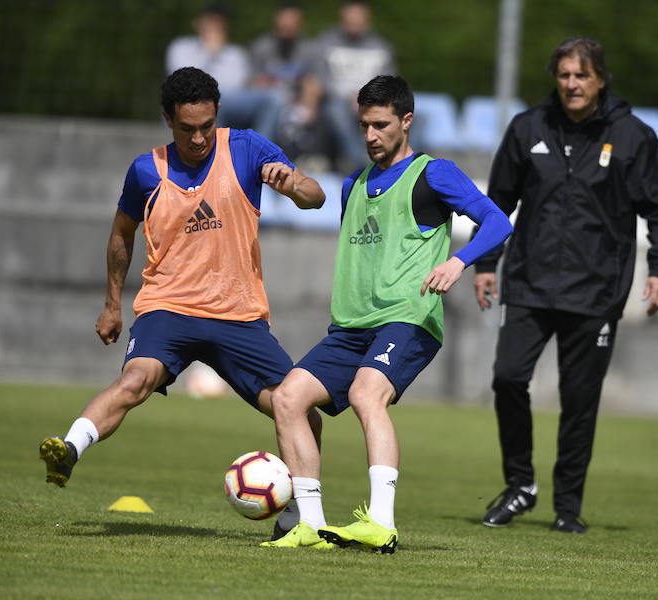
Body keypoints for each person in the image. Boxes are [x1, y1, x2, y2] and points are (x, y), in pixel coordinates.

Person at [38, 66, 326, 539]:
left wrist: (292, 185)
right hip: (169, 306)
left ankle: (295, 521)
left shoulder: (248, 148)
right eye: (188, 129)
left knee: (299, 410)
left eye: (207, 127)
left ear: (217, 116)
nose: (199, 138)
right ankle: (69, 449)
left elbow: (314, 197)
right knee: (136, 379)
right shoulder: (146, 170)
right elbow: (120, 237)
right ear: (168, 121)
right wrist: (112, 304)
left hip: (237, 312)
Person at [261, 75, 513, 551]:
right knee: (288, 399)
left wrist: (458, 261)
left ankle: (381, 523)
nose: (371, 135)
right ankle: (312, 525)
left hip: (409, 316)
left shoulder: (433, 173)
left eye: (381, 125)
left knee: (365, 393)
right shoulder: (353, 184)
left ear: (406, 121)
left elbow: (498, 222)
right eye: (364, 126)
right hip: (351, 326)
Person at [475, 37, 658, 534]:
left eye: (581, 75)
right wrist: (486, 263)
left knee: (579, 401)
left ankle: (567, 507)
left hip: (596, 292)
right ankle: (520, 485)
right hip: (528, 282)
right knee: (507, 377)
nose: (571, 83)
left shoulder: (634, 137)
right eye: (564, 74)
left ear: (601, 80)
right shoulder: (528, 127)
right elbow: (497, 201)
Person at [166, 2, 281, 139]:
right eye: (210, 21)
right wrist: (210, 53)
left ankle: (260, 152)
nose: (214, 27)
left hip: (228, 102)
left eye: (219, 23)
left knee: (272, 99)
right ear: (198, 23)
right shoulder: (180, 47)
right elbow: (183, 82)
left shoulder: (236, 54)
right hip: (193, 103)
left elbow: (236, 86)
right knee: (209, 103)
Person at [314, 0, 396, 169]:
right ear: (342, 19)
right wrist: (350, 97)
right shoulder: (326, 42)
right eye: (350, 18)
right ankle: (363, 161)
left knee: (410, 115)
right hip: (336, 101)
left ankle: (400, 165)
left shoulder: (380, 46)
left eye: (359, 18)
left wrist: (367, 97)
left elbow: (390, 83)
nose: (354, 23)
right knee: (336, 112)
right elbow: (318, 78)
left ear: (367, 20)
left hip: (373, 101)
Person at [246, 2, 324, 157]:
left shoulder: (310, 49)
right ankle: (258, 156)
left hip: (299, 105)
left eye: (291, 24)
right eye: (283, 24)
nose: (286, 29)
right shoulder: (261, 47)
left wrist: (306, 106)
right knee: (272, 105)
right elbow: (252, 84)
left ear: (300, 24)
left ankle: (307, 155)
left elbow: (316, 83)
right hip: (270, 102)